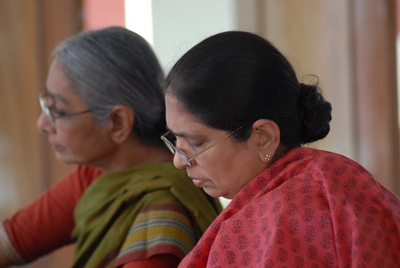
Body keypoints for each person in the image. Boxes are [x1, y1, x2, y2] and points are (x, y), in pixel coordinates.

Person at [161, 31, 400, 267]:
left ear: (263, 137)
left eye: (195, 142)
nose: (179, 161)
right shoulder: (344, 177)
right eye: (175, 138)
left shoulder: (272, 223)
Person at [0, 27, 222, 268]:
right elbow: (12, 240)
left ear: (118, 123)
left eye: (59, 111)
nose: (42, 124)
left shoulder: (162, 216)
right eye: (47, 105)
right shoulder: (100, 176)